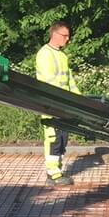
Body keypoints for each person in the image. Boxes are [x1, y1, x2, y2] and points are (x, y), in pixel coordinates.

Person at [35, 20, 80, 186]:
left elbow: (70, 81)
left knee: (62, 138)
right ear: (54, 34)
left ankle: (57, 171)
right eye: (65, 35)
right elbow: (49, 82)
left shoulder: (62, 55)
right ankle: (52, 174)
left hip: (63, 105)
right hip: (51, 105)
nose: (67, 39)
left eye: (68, 36)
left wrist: (79, 99)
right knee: (53, 139)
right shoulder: (44, 54)